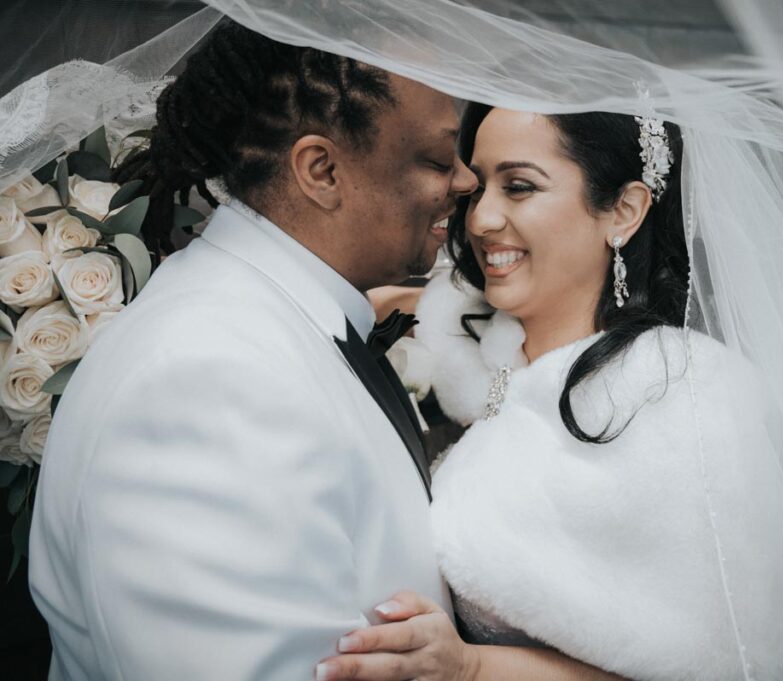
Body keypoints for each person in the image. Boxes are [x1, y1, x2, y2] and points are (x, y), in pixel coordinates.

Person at [26, 20, 481, 680]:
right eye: (438, 160)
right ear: (321, 170)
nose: (466, 180)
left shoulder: (278, 325)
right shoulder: (207, 381)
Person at [315, 105, 783, 681]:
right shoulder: (480, 365)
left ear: (623, 211)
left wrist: (472, 668)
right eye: (479, 187)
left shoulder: (683, 397)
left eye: (519, 187)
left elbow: (738, 667)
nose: (480, 219)